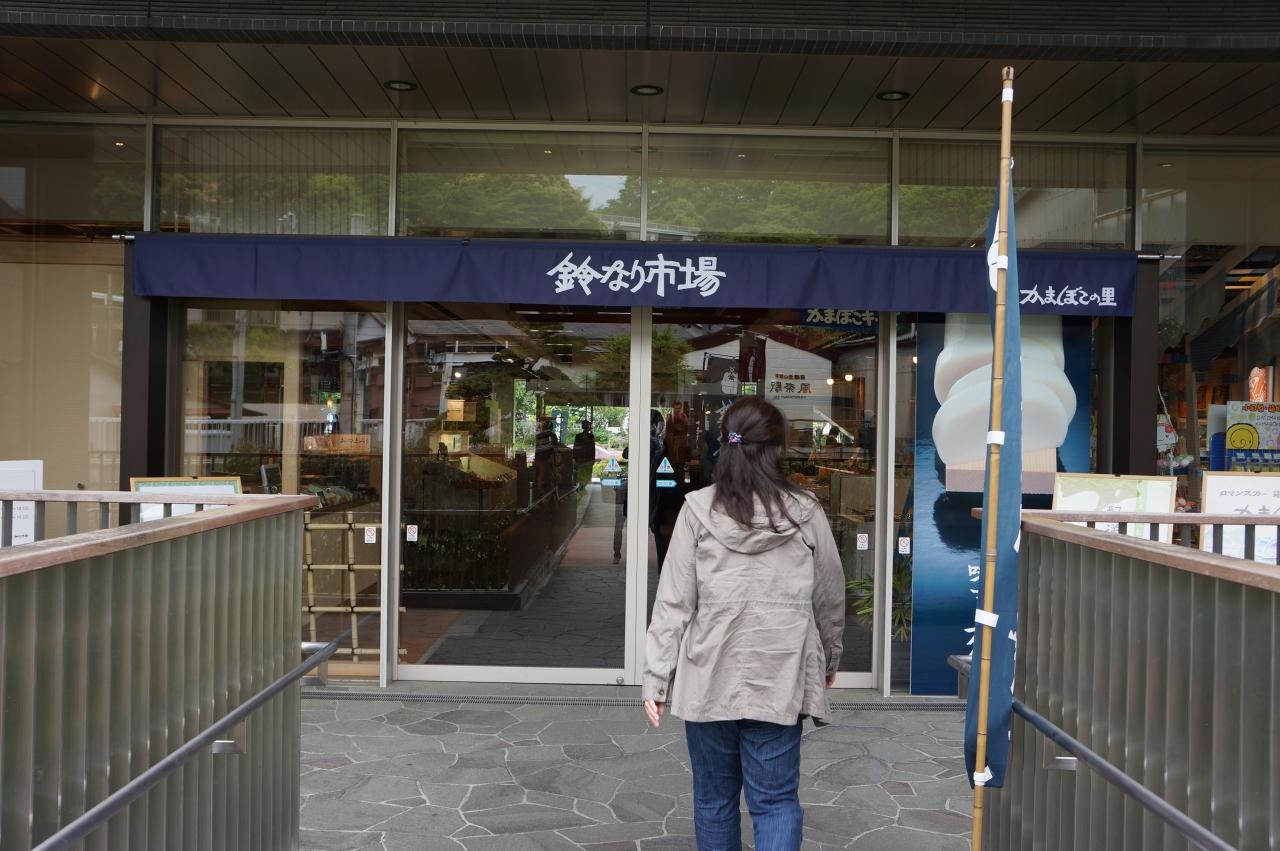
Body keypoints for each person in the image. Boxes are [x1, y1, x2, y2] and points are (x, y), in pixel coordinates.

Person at [642, 397, 845, 851]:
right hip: (781, 672)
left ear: (724, 444)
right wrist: (830, 658)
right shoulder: (805, 511)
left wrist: (656, 678)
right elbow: (830, 595)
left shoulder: (697, 510)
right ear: (778, 449)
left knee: (714, 800)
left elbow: (673, 602)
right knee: (775, 802)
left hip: (708, 674)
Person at [572, 420, 596, 491]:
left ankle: (582, 486)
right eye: (586, 426)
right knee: (582, 473)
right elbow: (576, 447)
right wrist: (574, 457)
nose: (587, 428)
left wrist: (593, 458)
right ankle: (581, 486)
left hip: (586, 458)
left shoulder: (590, 436)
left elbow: (592, 448)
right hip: (582, 459)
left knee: (584, 473)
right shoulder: (581, 436)